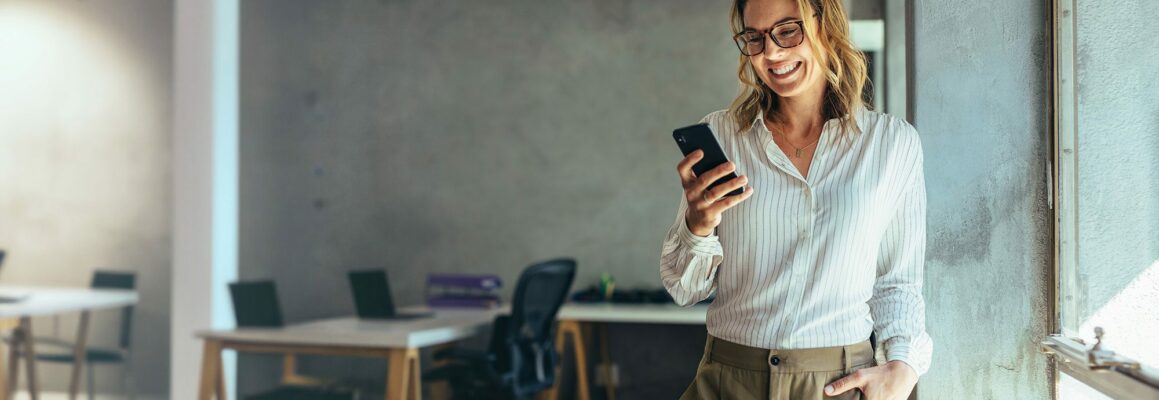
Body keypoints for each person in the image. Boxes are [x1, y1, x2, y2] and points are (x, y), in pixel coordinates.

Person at [660, 0, 932, 398]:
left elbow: (897, 283)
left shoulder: (892, 145)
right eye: (755, 38)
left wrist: (903, 366)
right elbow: (685, 289)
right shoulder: (721, 136)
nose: (771, 52)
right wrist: (697, 225)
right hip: (728, 380)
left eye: (788, 30)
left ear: (827, 26)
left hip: (835, 384)